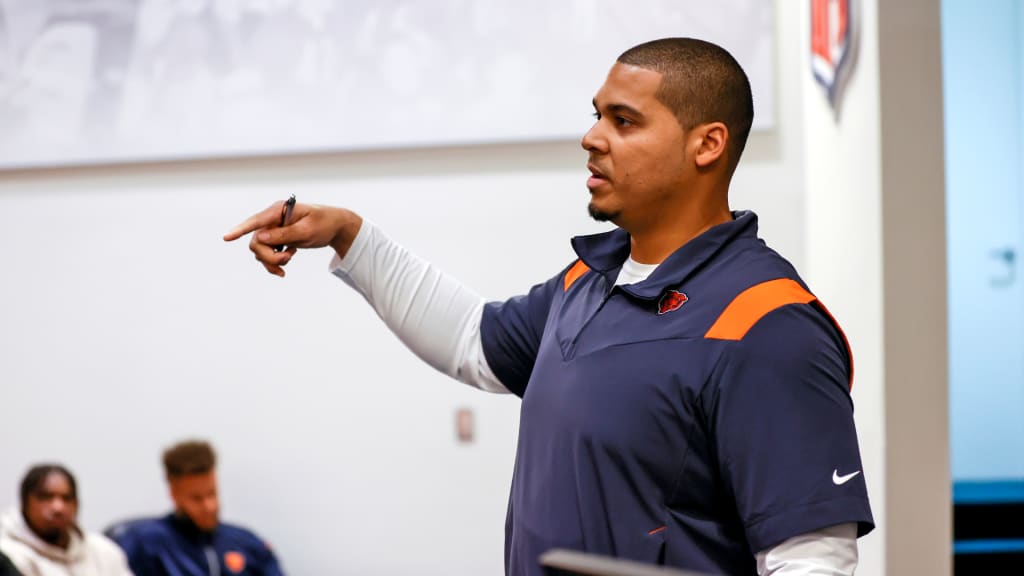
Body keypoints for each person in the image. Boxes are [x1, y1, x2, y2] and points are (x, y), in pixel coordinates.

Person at [224, 37, 875, 575]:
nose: (592, 137)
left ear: (707, 145)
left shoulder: (765, 326)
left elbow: (810, 560)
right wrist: (349, 234)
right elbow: (475, 341)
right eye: (596, 115)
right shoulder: (590, 280)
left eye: (624, 121)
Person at [111, 440, 285, 576]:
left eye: (212, 494)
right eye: (197, 499)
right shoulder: (144, 543)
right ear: (174, 494)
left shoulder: (247, 543)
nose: (209, 506)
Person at [0, 464, 133, 576]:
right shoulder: (7, 556)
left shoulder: (104, 552)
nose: (58, 507)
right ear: (25, 502)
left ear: (77, 504)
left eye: (66, 498)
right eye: (46, 497)